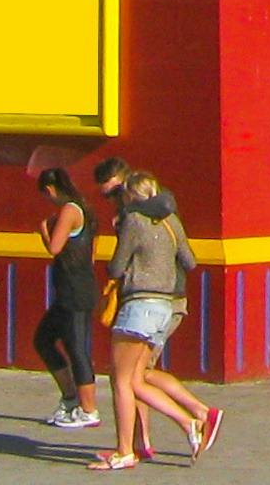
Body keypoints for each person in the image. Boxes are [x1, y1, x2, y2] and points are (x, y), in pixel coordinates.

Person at [85, 159, 219, 468]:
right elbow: (189, 260)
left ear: (131, 195)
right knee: (136, 380)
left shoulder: (132, 220)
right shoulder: (171, 219)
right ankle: (190, 423)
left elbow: (117, 266)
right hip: (165, 305)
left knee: (119, 379)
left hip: (139, 304)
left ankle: (124, 452)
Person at [29, 166, 97, 431]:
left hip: (74, 290)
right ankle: (70, 398)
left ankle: (89, 408)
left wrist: (45, 229)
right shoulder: (86, 209)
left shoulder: (69, 211)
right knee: (43, 339)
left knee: (76, 347)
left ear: (50, 189)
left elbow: (55, 248)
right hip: (74, 287)